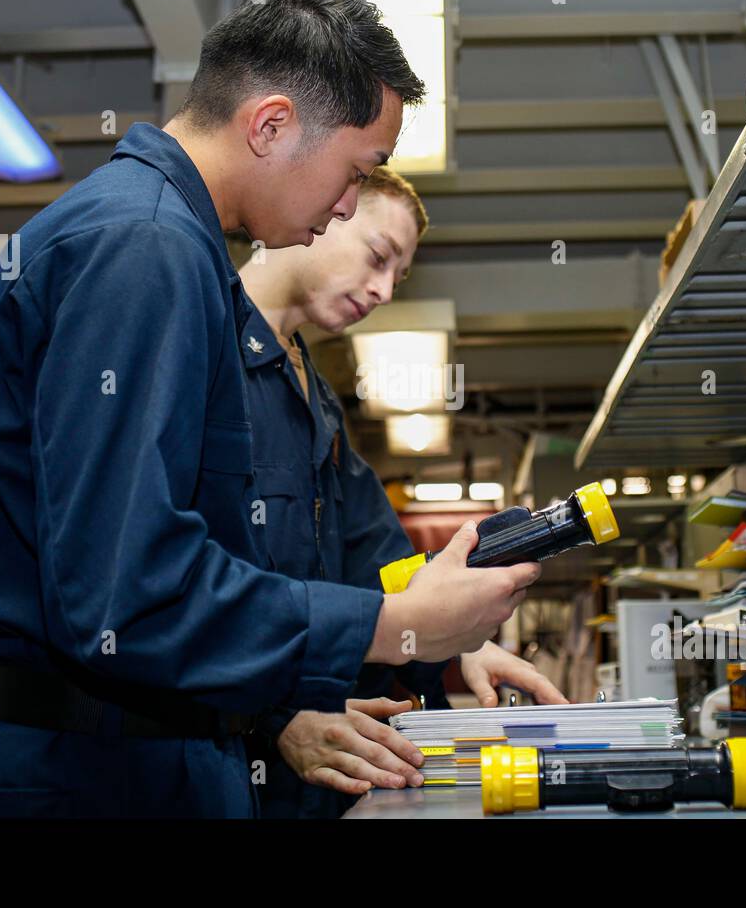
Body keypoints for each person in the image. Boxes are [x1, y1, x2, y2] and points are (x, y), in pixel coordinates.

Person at [0, 0, 539, 819]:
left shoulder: (176, 251)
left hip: (162, 756)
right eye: (355, 171)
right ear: (271, 125)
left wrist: (420, 621)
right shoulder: (143, 248)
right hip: (103, 781)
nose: (343, 207)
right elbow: (126, 591)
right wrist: (391, 628)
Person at [238, 167, 567, 818]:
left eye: (398, 275)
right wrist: (266, 716)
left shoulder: (319, 403)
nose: (384, 290)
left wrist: (463, 644)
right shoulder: (198, 348)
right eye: (378, 256)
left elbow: (384, 561)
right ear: (325, 207)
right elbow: (174, 583)